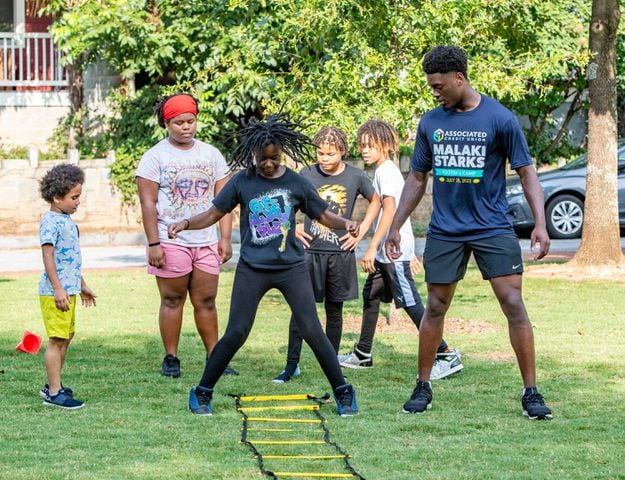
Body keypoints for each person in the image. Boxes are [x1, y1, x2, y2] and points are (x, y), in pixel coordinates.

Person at [385, 45, 553, 420]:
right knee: (436, 306)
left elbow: (527, 172)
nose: (435, 92)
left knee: (513, 304)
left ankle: (531, 392)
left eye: (440, 85)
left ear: (459, 79)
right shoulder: (430, 122)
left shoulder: (500, 118)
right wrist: (396, 226)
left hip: (493, 226)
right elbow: (416, 178)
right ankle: (423, 386)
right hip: (445, 229)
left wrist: (540, 223)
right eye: (431, 86)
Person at [168, 113, 360, 417]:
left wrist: (346, 222)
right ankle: (202, 391)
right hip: (253, 268)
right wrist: (186, 223)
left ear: (280, 154)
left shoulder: (296, 182)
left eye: (273, 158)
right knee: (237, 332)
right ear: (253, 155)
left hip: (291, 267)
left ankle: (342, 391)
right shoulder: (243, 181)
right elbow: (213, 214)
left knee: (312, 329)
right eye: (262, 159)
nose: (268, 164)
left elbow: (322, 214)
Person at [338, 120, 463, 381]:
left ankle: (445, 354)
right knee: (371, 294)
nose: (364, 150)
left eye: (370, 145)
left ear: (385, 145)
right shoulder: (382, 170)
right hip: (389, 251)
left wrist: (372, 247)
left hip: (392, 251)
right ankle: (363, 353)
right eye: (362, 146)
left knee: (410, 302)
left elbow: (391, 211)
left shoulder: (387, 171)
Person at [136, 93, 237, 378]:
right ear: (167, 123)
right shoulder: (155, 157)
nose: (186, 127)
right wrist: (154, 243)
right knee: (172, 300)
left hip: (206, 240)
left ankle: (214, 356)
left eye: (190, 121)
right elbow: (147, 203)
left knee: (206, 301)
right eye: (179, 122)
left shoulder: (211, 154)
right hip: (170, 241)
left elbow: (225, 201)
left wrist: (225, 238)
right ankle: (171, 357)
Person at [271, 126, 381, 384]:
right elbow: (284, 202)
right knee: (301, 310)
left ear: (342, 151)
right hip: (308, 254)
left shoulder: (356, 176)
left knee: (334, 311)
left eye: (330, 153)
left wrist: (361, 231)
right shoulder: (305, 174)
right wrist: (294, 226)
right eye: (320, 153)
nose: (324, 158)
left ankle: (329, 365)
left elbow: (377, 201)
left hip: (340, 254)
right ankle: (291, 365)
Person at [38, 164, 97, 409]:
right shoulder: (51, 222)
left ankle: (55, 384)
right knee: (57, 340)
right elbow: (48, 257)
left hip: (69, 290)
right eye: (74, 197)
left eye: (79, 197)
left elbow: (70, 259)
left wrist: (81, 285)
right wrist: (58, 289)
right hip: (55, 292)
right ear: (56, 197)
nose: (78, 202)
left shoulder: (66, 220)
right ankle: (54, 393)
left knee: (66, 337)